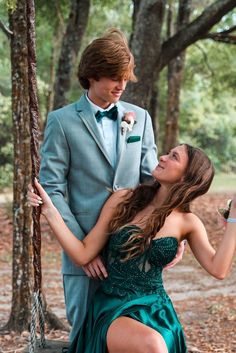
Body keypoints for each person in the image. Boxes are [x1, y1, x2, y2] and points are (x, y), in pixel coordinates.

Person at [39, 28, 185, 341]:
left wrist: (173, 233)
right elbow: (52, 189)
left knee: (135, 337)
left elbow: (152, 181)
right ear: (92, 75)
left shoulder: (140, 118)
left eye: (125, 77)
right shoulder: (61, 122)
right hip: (84, 257)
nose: (122, 86)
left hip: (133, 254)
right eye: (114, 78)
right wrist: (82, 250)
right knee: (86, 336)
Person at [28, 144, 236, 353]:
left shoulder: (188, 222)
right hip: (114, 308)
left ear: (186, 177)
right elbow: (83, 254)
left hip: (157, 311)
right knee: (153, 345)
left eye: (173, 157)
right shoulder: (125, 199)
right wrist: (50, 212)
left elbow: (218, 269)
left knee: (157, 342)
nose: (162, 157)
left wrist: (234, 216)